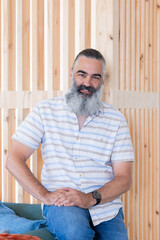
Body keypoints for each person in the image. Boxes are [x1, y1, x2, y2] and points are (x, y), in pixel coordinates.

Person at [6, 48, 135, 240]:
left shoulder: (116, 120)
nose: (87, 83)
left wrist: (90, 198)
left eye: (95, 77)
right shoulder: (45, 111)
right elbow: (13, 160)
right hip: (62, 204)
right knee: (77, 234)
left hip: (105, 207)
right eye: (82, 74)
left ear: (102, 81)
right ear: (71, 73)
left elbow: (124, 178)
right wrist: (45, 196)